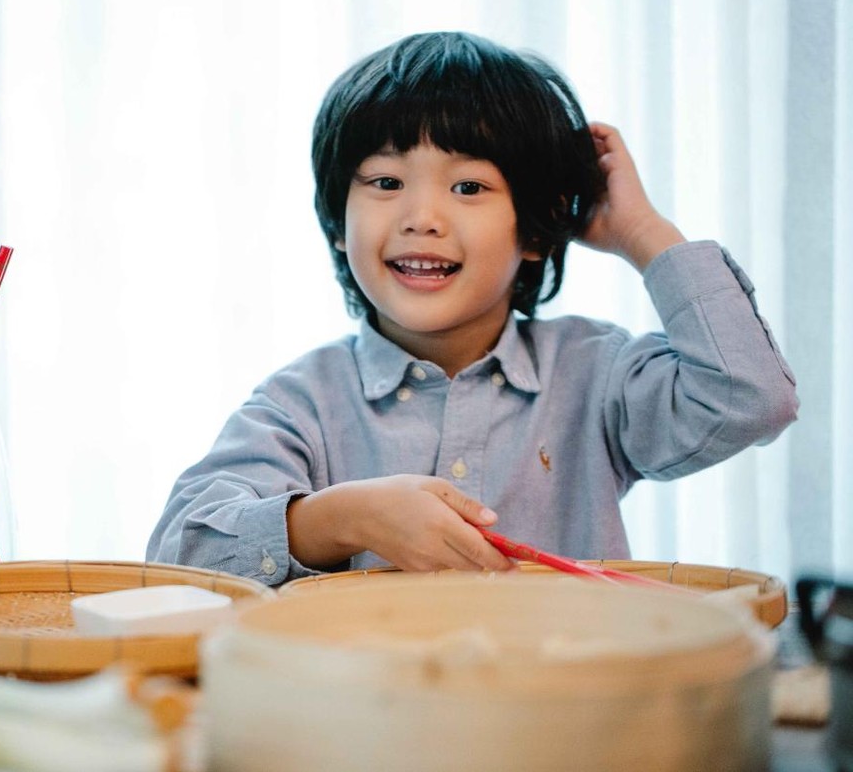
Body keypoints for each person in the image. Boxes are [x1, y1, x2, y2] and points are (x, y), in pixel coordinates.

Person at [146, 31, 798, 585]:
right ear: (338, 224)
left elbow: (753, 396)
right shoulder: (302, 403)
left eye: (468, 186)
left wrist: (642, 231)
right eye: (385, 182)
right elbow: (180, 555)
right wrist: (342, 517)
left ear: (537, 231)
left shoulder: (597, 376)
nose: (421, 218)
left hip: (568, 722)